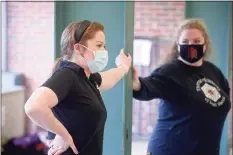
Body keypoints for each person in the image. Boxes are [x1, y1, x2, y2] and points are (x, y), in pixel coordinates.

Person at [24, 20, 131, 155]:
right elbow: (33, 107)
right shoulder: (68, 75)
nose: (104, 51)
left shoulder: (87, 77)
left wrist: (123, 67)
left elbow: (107, 79)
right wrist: (62, 134)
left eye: (104, 46)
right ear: (78, 48)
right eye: (99, 45)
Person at [132, 18, 231, 155]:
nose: (191, 46)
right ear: (178, 46)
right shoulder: (169, 72)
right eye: (185, 42)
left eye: (196, 41)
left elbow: (225, 98)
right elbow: (148, 87)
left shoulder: (214, 72)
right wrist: (136, 84)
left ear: (205, 44)